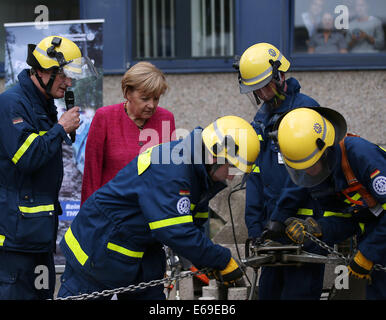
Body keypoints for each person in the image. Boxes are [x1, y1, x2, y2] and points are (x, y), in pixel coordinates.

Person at [57, 115, 260, 300]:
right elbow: (176, 231)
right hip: (96, 248)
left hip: (136, 252)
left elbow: (193, 227)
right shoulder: (174, 170)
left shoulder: (199, 176)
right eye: (233, 167)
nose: (233, 176)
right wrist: (221, 259)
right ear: (216, 155)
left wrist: (205, 260)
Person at [0, 35, 96, 299]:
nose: (69, 82)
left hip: (38, 236)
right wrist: (60, 128)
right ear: (42, 71)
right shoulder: (12, 103)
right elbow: (27, 157)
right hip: (15, 239)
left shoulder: (41, 103)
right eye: (63, 75)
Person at [236, 42, 330, 300]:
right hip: (271, 232)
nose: (263, 94)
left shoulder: (305, 110)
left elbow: (306, 173)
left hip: (304, 228)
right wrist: (255, 226)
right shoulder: (261, 118)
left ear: (280, 75)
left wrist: (279, 216)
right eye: (256, 88)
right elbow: (254, 172)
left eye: (266, 85)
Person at [274, 106, 386, 300]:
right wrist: (317, 228)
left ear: (325, 150)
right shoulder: (324, 173)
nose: (307, 172)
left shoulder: (361, 156)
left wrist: (369, 253)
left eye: (310, 165)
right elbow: (346, 219)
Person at [81, 61, 175, 205]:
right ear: (127, 93)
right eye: (145, 98)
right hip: (112, 212)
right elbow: (91, 174)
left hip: (152, 212)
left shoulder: (166, 119)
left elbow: (169, 173)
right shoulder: (105, 117)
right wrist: (88, 218)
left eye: (156, 98)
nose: (151, 105)